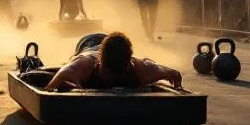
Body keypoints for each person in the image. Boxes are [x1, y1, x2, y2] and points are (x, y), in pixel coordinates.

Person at [43, 32, 183, 91]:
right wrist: (70, 87)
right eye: (110, 74)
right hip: (88, 43)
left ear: (128, 66)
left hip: (111, 42)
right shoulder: (81, 67)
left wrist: (177, 88)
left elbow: (175, 75)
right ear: (100, 64)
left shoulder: (142, 69)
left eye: (118, 75)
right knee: (71, 62)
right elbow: (50, 87)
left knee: (147, 63)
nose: (113, 80)